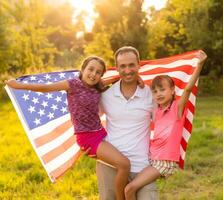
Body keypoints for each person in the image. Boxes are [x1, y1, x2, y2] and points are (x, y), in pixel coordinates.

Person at [6, 56, 130, 200]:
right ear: (82, 69)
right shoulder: (73, 84)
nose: (93, 74)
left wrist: (131, 74)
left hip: (101, 132)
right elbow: (45, 88)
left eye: (98, 72)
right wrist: (18, 85)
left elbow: (112, 80)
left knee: (121, 163)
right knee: (124, 165)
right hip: (88, 138)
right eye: (90, 69)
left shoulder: (98, 86)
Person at [124, 50, 207, 200]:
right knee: (127, 180)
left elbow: (188, 89)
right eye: (155, 91)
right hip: (152, 158)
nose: (159, 94)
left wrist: (199, 65)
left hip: (164, 162)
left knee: (129, 189)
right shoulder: (157, 110)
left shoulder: (177, 108)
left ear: (172, 90)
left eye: (162, 89)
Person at [96, 46, 158, 200]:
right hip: (110, 166)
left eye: (131, 65)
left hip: (142, 167)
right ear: (116, 68)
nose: (127, 70)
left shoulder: (151, 95)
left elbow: (164, 124)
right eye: (122, 66)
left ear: (139, 65)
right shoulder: (106, 95)